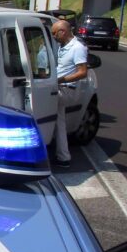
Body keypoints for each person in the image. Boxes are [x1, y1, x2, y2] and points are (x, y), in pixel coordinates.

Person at [51, 19, 88, 168]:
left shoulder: (77, 48)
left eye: (54, 33)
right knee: (59, 123)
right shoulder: (62, 46)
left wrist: (60, 80)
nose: (53, 36)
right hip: (59, 87)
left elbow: (82, 72)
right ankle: (63, 157)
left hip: (66, 89)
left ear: (63, 31)